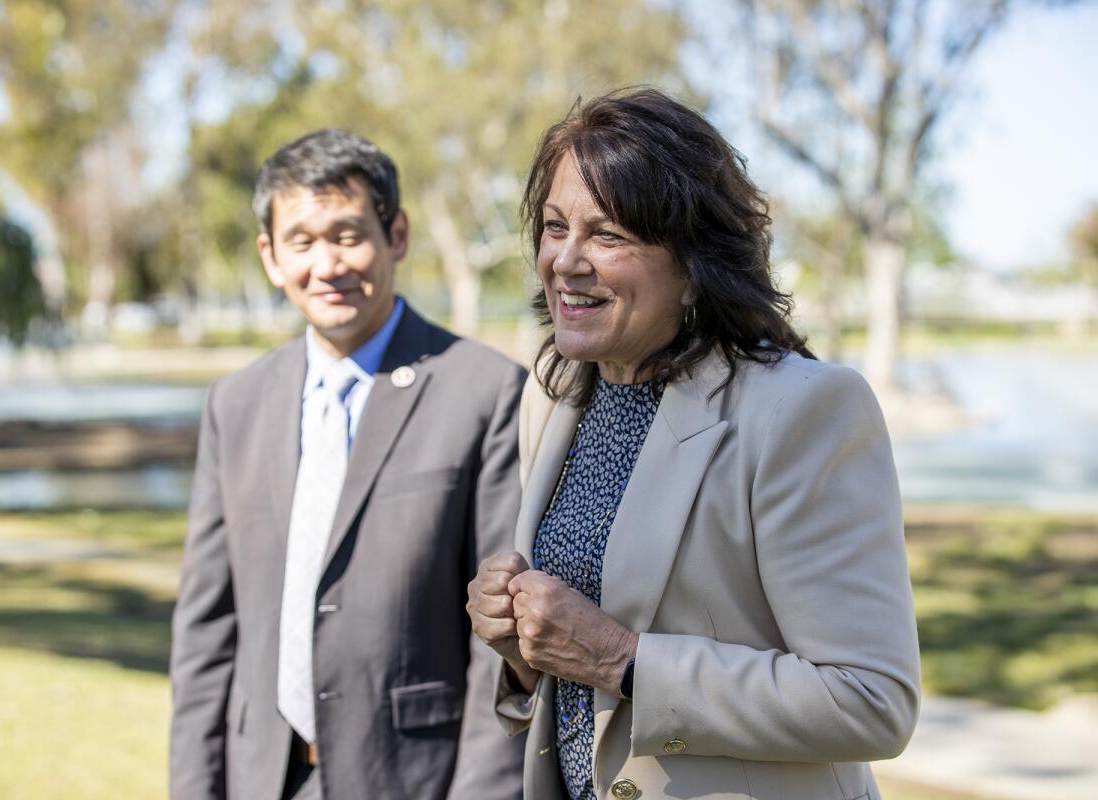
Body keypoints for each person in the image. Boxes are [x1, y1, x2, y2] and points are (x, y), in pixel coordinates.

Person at [466, 88, 920, 800]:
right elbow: (575, 676)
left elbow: (870, 700)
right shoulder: (552, 396)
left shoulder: (802, 410)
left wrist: (623, 660)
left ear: (693, 264)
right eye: (555, 228)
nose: (566, 260)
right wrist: (521, 651)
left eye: (608, 235)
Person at [170, 129, 526, 800]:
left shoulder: (486, 392)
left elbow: (499, 644)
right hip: (261, 778)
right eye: (301, 242)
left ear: (396, 236)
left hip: (413, 779)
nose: (327, 265)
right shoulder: (235, 404)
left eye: (348, 235)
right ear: (271, 258)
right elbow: (206, 635)